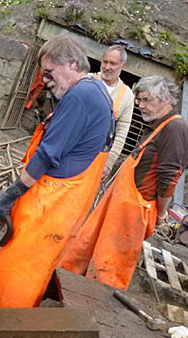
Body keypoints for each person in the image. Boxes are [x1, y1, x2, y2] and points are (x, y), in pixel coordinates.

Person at [0, 36, 114, 308]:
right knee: (36, 262)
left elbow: (48, 153)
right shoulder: (97, 91)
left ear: (71, 64)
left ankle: (3, 318)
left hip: (54, 201)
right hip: (65, 199)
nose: (45, 80)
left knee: (21, 261)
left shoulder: (81, 95)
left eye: (49, 73)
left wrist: (10, 195)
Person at [59, 76, 188, 290]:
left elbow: (169, 176)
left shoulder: (175, 129)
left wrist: (162, 213)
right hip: (121, 205)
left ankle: (96, 303)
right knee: (87, 248)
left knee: (109, 266)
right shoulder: (159, 126)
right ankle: (69, 288)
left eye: (146, 100)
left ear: (166, 98)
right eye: (139, 101)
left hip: (132, 211)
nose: (141, 106)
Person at [91, 45, 134, 180]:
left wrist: (109, 162)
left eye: (113, 63)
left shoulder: (127, 96)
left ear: (123, 66)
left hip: (96, 156)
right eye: (105, 61)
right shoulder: (86, 80)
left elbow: (121, 133)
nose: (107, 67)